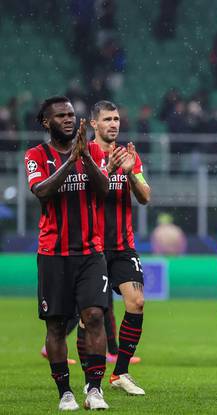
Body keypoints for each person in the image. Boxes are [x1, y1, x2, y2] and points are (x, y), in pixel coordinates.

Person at [25, 96, 110, 410]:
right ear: (47, 122)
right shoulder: (35, 155)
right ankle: (65, 392)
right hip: (53, 253)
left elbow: (103, 190)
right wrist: (69, 161)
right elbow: (42, 192)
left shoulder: (94, 152)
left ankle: (95, 389)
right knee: (57, 325)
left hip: (90, 252)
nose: (68, 119)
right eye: (60, 116)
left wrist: (84, 157)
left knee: (94, 316)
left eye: (72, 115)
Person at [84, 100, 149, 395]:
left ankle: (120, 372)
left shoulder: (129, 155)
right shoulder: (83, 153)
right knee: (90, 317)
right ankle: (90, 382)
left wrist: (131, 173)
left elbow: (146, 196)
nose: (114, 124)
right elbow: (86, 194)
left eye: (117, 119)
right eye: (108, 119)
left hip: (123, 245)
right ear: (93, 124)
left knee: (136, 302)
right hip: (90, 245)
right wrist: (110, 171)